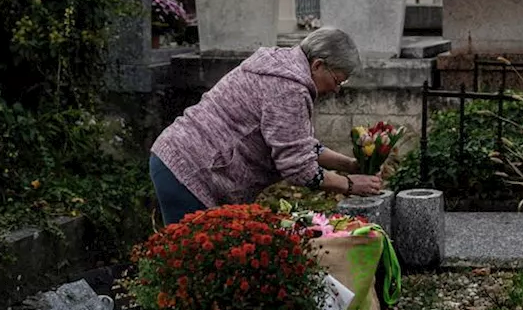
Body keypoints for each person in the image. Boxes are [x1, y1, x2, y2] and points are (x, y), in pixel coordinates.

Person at [148, 27, 383, 224]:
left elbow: (299, 146)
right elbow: (299, 169)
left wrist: (350, 165)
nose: (336, 89)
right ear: (318, 65)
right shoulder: (288, 88)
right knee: (194, 264)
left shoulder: (283, 67)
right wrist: (350, 185)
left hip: (182, 160)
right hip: (191, 171)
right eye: (336, 80)